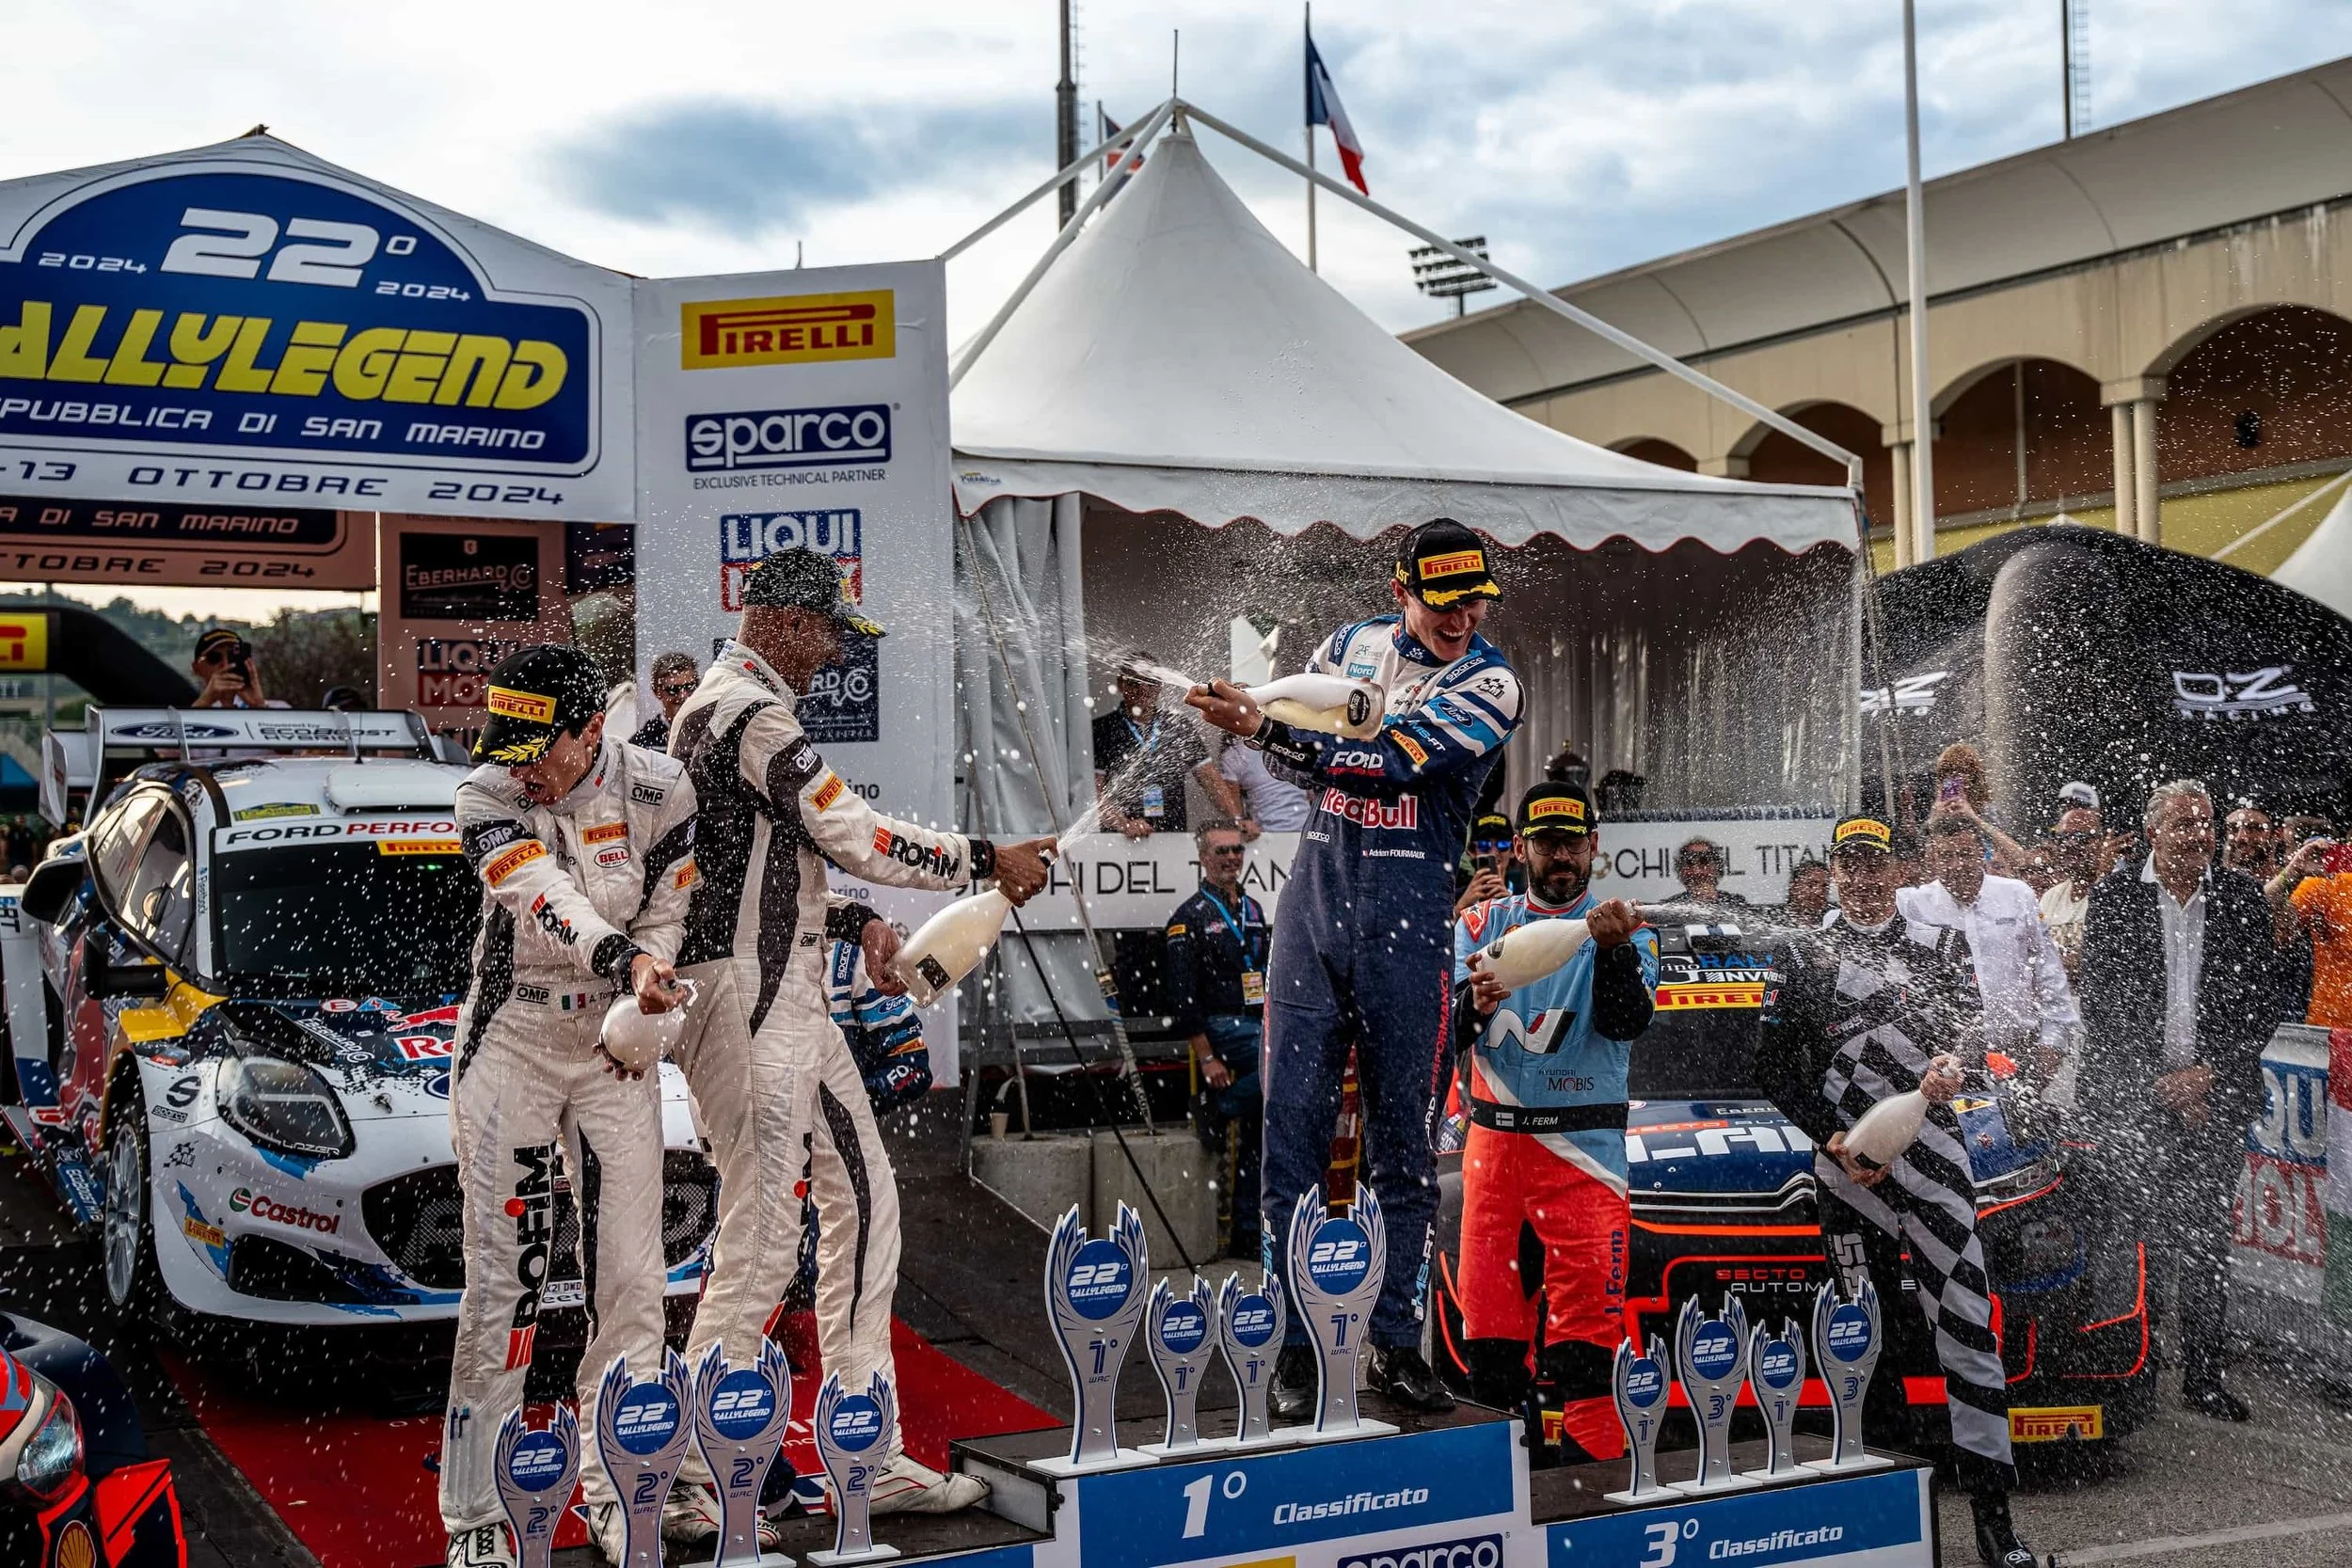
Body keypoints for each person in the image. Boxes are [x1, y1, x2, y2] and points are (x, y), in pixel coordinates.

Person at [660, 548, 1054, 1541]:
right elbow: (857, 836)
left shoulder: (728, 707)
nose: (835, 649)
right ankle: (701, 1468)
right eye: (830, 629)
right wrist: (982, 860)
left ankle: (860, 1447)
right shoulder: (749, 710)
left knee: (868, 1197)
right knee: (757, 1241)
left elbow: (760, 859)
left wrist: (854, 929)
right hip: (746, 997)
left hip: (779, 988)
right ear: (786, 620)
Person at [1187, 516, 1524, 1416]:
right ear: (1400, 592)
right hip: (1315, 913)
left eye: (1475, 600)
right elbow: (1309, 762)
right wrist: (1262, 724)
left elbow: (1393, 763)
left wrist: (1267, 726)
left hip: (1410, 929)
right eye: (1442, 601)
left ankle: (1393, 1343)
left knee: (1402, 1150)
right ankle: (1293, 1349)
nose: (1461, 617)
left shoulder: (1492, 680)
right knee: (1289, 1134)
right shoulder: (1347, 644)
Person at [438, 646, 698, 1568]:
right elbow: (537, 893)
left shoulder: (663, 786)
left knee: (631, 1276)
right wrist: (620, 952)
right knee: (503, 1275)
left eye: (533, 745)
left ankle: (621, 1486)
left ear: (593, 729)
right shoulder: (486, 793)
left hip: (608, 1047)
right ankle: (473, 1509)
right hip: (510, 1040)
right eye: (501, 742)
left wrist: (648, 988)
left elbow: (670, 914)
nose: (515, 764)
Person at [1751, 815, 2040, 1568]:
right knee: (1862, 1346)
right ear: (1837, 872)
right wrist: (1834, 1139)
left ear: (1897, 868)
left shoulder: (1940, 946)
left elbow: (1971, 1042)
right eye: (1852, 863)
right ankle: (1883, 1527)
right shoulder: (1806, 955)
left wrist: (1954, 1066)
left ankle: (1995, 1523)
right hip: (1849, 1173)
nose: (1866, 876)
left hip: (1937, 1159)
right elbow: (1770, 1068)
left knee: (1970, 1332)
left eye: (1877, 862)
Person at [1449, 783, 1655, 1465]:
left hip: (1584, 1162)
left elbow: (1627, 1022)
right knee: (1491, 1365)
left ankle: (1595, 1518)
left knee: (1588, 1366)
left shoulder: (1627, 925)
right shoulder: (1478, 927)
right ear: (1522, 848)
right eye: (1546, 843)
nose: (1560, 856)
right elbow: (1437, 1034)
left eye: (1572, 843)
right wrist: (1472, 1007)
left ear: (1594, 845)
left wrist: (1617, 951)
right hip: (1495, 1160)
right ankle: (1499, 1510)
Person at [2078, 781, 2279, 1423]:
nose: (2200, 834)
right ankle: (2136, 1367)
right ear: (2153, 832)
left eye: (2206, 822)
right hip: (2135, 1098)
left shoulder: (2241, 897)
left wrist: (2209, 1074)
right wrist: (2162, 1086)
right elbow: (2104, 1006)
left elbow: (2261, 1004)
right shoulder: (2116, 896)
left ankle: (2203, 1375)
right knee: (2136, 1236)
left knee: (2206, 1238)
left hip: (2214, 1096)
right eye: (2185, 823)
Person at [1165, 819, 1272, 1259]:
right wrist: (1207, 1058)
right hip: (1222, 1026)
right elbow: (1182, 999)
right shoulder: (1189, 917)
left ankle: (1248, 1231)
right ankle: (1219, 1103)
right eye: (1221, 851)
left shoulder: (1254, 909)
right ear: (1203, 858)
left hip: (1259, 1020)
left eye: (1236, 851)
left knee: (1260, 1130)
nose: (1231, 858)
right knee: (1283, 1062)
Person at [1900, 815, 2078, 1078]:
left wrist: (2053, 1041)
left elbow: (2049, 972)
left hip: (2019, 1049)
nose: (1958, 864)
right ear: (1932, 858)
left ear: (1979, 852)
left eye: (1965, 853)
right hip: (1945, 1057)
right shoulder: (1913, 904)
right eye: (1946, 856)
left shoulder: (2016, 895)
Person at [1093, 652, 1220, 837]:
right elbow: (1095, 792)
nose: (1143, 689)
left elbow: (1210, 779)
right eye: (1134, 683)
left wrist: (1238, 820)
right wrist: (1124, 824)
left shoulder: (1178, 725)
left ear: (1160, 685)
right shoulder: (1102, 729)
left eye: (1150, 682)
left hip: (1172, 837)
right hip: (1120, 842)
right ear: (1121, 684)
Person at [1928, 742, 2029, 873]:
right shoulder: (1937, 811)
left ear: (1974, 776)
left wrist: (1974, 818)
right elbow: (1926, 864)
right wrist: (1935, 820)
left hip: (1988, 876)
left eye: (1963, 771)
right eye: (1949, 772)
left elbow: (2018, 857)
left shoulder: (1989, 810)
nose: (1956, 777)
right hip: (1951, 876)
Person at [2039, 806, 2113, 979]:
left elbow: (2100, 958)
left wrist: (2103, 880)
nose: (2070, 844)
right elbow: (2034, 955)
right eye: (2063, 838)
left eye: (2080, 838)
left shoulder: (2116, 894)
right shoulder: (2050, 897)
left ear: (2101, 842)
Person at [1211, 729, 1311, 836]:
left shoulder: (1293, 743)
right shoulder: (1234, 755)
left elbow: (1313, 792)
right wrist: (1241, 823)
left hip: (1307, 829)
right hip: (1265, 835)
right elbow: (1233, 806)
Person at [189, 627, 287, 709]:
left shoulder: (279, 708)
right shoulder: (182, 710)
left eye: (232, 657)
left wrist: (259, 707)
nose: (225, 664)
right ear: (196, 668)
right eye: (214, 657)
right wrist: (204, 702)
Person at [1454, 812, 1523, 916]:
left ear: (1513, 851)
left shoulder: (1524, 896)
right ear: (1471, 852)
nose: (1493, 852)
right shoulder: (1453, 894)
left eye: (1502, 844)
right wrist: (1460, 908)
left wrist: (1510, 910)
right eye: (1484, 845)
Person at [630, 651, 701, 752]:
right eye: (673, 689)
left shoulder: (712, 731)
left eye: (689, 687)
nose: (683, 696)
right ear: (657, 692)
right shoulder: (643, 742)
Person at [1672, 837, 1749, 913]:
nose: (1697, 871)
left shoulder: (1737, 904)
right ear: (1681, 871)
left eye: (1704, 862)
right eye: (1689, 863)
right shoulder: (1670, 908)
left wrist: (1713, 902)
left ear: (1717, 868)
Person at [2223, 802, 2282, 882]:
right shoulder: (2210, 882)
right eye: (2233, 828)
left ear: (2277, 835)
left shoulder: (2294, 883)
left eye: (2253, 828)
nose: (2240, 837)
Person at [1780, 854, 1831, 927]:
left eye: (1824, 886)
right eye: (1811, 885)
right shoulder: (1770, 922)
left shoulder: (1835, 922)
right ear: (1794, 886)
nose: (1819, 891)